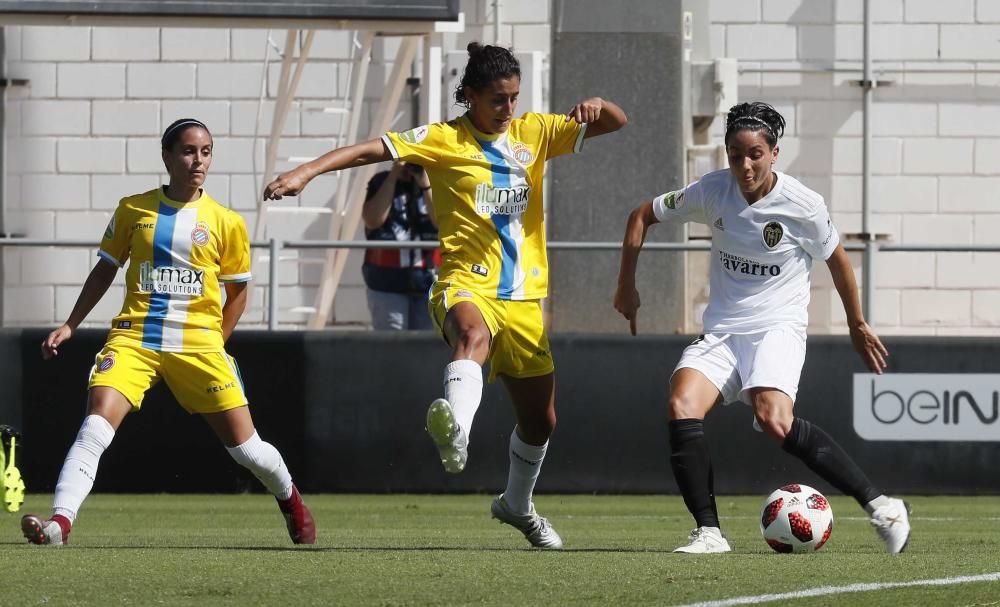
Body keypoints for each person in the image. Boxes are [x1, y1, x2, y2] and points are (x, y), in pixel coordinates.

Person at [265, 43, 627, 549]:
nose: (508, 110)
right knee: (471, 335)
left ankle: (516, 506)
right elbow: (369, 149)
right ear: (471, 96)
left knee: (540, 421)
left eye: (514, 98)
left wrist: (597, 103)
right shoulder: (442, 139)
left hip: (524, 299)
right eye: (498, 99)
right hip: (464, 282)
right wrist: (305, 172)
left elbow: (616, 122)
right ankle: (456, 427)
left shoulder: (535, 133)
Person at [613, 102, 911, 554]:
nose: (744, 165)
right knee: (681, 405)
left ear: (774, 153)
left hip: (777, 327)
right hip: (723, 332)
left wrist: (857, 323)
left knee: (774, 420)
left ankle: (882, 506)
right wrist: (625, 285)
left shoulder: (803, 205)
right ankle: (709, 533)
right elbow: (641, 216)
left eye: (754, 154)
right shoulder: (711, 191)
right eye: (735, 154)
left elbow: (839, 262)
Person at [21, 118, 315, 546]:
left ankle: (290, 499)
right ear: (167, 156)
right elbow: (105, 268)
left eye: (206, 152)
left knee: (246, 449)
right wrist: (71, 324)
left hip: (198, 345)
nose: (199, 160)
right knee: (95, 423)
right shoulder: (132, 210)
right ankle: (59, 523)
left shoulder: (226, 222)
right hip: (134, 338)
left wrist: (216, 343)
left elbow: (237, 294)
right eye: (189, 151)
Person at [361, 160, 439, 330]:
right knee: (391, 347)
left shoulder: (438, 181)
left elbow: (442, 224)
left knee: (426, 346)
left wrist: (426, 185)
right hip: (386, 281)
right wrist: (393, 176)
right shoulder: (381, 181)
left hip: (429, 281)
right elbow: (373, 220)